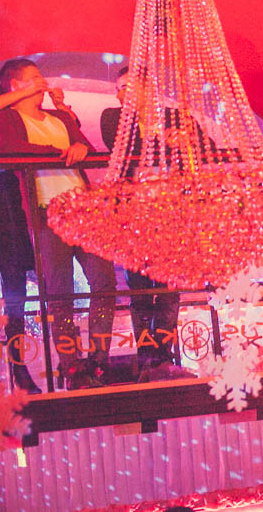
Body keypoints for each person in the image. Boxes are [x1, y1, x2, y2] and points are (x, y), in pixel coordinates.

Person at [0, 58, 116, 390]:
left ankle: (99, 360)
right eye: (34, 78)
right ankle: (71, 365)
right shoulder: (7, 117)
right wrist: (59, 152)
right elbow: (9, 149)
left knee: (104, 281)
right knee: (60, 292)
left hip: (84, 209)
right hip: (47, 211)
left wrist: (78, 145)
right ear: (15, 86)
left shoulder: (59, 117)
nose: (42, 83)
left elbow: (87, 149)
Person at [100, 65, 187, 382]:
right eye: (119, 88)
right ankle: (146, 357)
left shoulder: (173, 116)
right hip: (133, 212)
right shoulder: (114, 117)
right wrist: (160, 137)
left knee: (168, 290)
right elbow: (123, 148)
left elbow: (193, 149)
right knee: (139, 290)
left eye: (128, 86)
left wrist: (180, 139)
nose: (121, 94)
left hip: (169, 211)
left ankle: (163, 356)